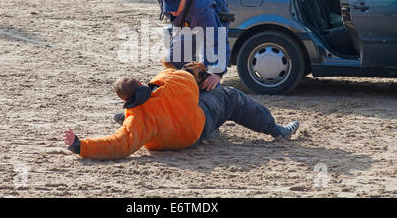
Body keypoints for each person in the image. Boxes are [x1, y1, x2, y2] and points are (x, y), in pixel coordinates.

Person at [63, 66, 299, 160]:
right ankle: (276, 129)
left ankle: (122, 117)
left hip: (169, 139)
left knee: (133, 129)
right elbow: (189, 75)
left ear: (125, 100)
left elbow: (119, 144)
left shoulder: (137, 119)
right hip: (197, 126)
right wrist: (205, 75)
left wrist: (80, 146)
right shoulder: (171, 81)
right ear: (141, 81)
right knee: (230, 96)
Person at [156, 0, 233, 92]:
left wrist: (217, 73)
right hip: (186, 21)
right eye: (169, 6)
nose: (172, 11)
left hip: (214, 15)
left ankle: (208, 101)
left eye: (175, 6)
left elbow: (216, 40)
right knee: (173, 61)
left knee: (207, 72)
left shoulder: (202, 10)